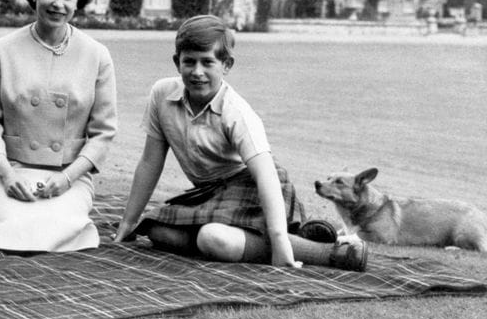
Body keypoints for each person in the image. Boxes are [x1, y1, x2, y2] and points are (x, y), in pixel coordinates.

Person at [113, 15, 368, 271]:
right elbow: (150, 161)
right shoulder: (162, 94)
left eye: (207, 62)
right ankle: (287, 236)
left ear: (226, 65)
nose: (197, 72)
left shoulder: (236, 112)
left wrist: (279, 239)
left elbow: (266, 175)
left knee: (212, 238)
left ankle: (331, 252)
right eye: (189, 61)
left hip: (254, 187)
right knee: (157, 230)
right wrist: (128, 222)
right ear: (176, 62)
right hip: (209, 193)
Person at [0, 0, 117, 252]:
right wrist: (7, 175)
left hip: (68, 175)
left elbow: (103, 133)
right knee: (12, 227)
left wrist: (68, 178)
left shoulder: (96, 55)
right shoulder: (2, 50)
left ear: (78, 1)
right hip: (11, 170)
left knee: (57, 228)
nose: (58, 3)